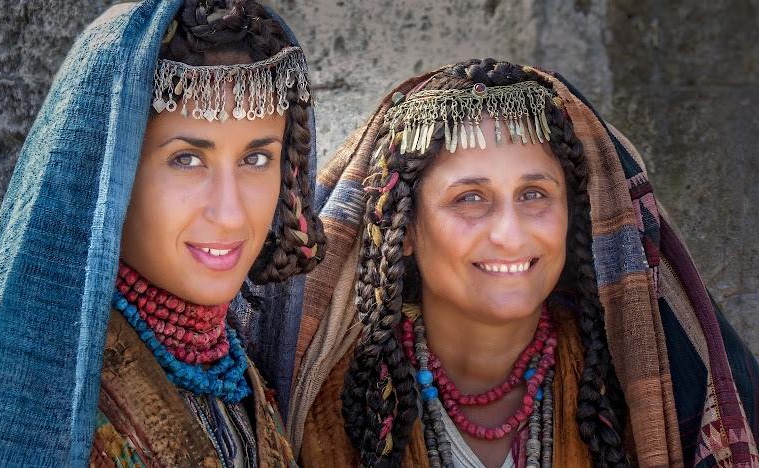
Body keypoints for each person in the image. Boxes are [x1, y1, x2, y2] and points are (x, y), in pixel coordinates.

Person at [289, 58, 759, 467]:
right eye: (470, 198)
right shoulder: (320, 412)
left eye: (534, 194)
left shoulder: (636, 398)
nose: (510, 234)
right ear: (404, 228)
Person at [0, 0, 324, 466]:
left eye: (256, 159)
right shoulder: (50, 407)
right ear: (108, 170)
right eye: (187, 159)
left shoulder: (236, 370)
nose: (232, 215)